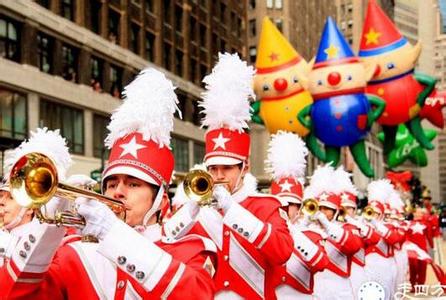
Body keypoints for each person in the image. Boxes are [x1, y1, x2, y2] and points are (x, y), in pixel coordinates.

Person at [0, 68, 216, 299]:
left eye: (133, 184)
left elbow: (197, 294)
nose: (118, 192)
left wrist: (112, 233)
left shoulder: (192, 249)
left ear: (161, 200)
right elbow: (14, 294)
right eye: (111, 184)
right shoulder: (74, 252)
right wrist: (47, 229)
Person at [164, 53, 294, 299]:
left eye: (227, 168)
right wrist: (191, 210)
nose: (218, 175)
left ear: (244, 167)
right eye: (213, 168)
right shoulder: (197, 210)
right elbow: (165, 241)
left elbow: (282, 251)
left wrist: (231, 210)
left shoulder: (266, 206)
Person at [266, 131, 328, 299]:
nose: (285, 208)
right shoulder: (264, 233)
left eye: (291, 204)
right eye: (280, 203)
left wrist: (290, 231)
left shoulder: (313, 235)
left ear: (299, 208)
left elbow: (321, 263)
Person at [305, 165, 362, 300]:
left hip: (339, 287)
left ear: (336, 211)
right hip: (315, 286)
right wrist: (305, 222)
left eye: (327, 209)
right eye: (320, 208)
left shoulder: (346, 228)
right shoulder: (309, 229)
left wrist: (327, 225)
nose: (323, 212)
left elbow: (354, 245)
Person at [334, 167, 381, 298]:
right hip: (338, 276)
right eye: (343, 208)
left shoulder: (360, 225)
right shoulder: (332, 226)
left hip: (358, 272)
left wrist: (353, 222)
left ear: (354, 210)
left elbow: (375, 238)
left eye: (349, 208)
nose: (346, 211)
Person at [365, 179, 401, 299]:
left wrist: (376, 224)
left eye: (376, 212)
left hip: (384, 266)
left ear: (381, 214)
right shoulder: (363, 226)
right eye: (371, 212)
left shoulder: (388, 226)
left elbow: (394, 239)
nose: (373, 214)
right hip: (367, 266)